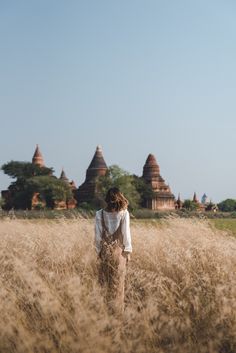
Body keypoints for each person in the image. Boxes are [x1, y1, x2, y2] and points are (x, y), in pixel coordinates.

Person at [95, 187, 132, 315]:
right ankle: (117, 314)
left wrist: (99, 252)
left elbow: (98, 237)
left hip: (105, 252)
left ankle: (104, 313)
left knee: (104, 283)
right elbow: (126, 235)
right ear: (120, 197)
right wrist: (127, 253)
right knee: (118, 286)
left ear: (107, 199)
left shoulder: (99, 214)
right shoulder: (124, 213)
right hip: (119, 253)